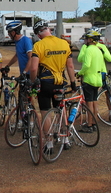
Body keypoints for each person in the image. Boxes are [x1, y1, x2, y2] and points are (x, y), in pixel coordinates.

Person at [29, 20, 76, 150]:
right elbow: (70, 65)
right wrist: (73, 82)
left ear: (38, 34)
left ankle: (49, 143)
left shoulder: (39, 45)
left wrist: (33, 82)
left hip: (45, 83)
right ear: (49, 30)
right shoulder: (64, 43)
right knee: (61, 111)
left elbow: (33, 68)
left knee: (45, 112)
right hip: (60, 83)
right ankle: (65, 139)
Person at [77, 29, 111, 122]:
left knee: (90, 100)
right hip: (99, 74)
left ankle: (90, 123)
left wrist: (87, 55)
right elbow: (109, 59)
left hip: (90, 75)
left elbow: (81, 60)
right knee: (99, 97)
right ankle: (109, 114)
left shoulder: (87, 48)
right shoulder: (100, 48)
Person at [76, 29, 105, 132]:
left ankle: (89, 125)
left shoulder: (89, 49)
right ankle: (94, 123)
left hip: (89, 79)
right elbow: (102, 66)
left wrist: (79, 73)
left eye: (86, 39)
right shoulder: (99, 49)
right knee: (94, 102)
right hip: (97, 80)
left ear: (90, 40)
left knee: (89, 103)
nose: (85, 41)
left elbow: (87, 65)